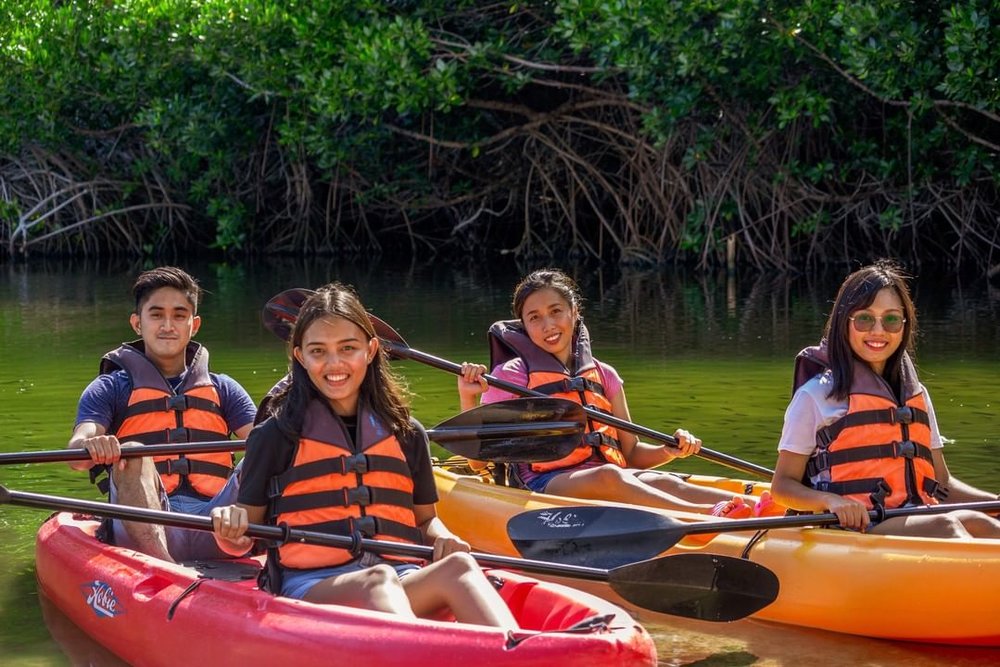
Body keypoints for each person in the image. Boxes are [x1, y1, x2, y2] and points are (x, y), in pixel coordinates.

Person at [210, 283, 518, 629]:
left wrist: (444, 536)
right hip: (309, 586)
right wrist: (230, 530)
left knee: (459, 568)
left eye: (348, 348)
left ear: (371, 350)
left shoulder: (407, 433)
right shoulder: (274, 435)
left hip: (400, 577)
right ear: (299, 356)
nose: (334, 363)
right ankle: (419, 650)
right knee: (377, 579)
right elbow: (243, 537)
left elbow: (424, 522)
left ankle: (520, 653)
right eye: (318, 351)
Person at [457, 268, 779, 518]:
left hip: (609, 474)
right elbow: (476, 464)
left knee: (665, 482)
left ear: (574, 312)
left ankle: (767, 505)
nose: (548, 325)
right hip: (543, 483)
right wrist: (468, 397)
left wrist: (670, 451)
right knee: (611, 475)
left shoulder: (604, 375)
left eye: (556, 311)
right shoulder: (511, 376)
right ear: (524, 327)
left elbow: (632, 455)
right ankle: (708, 517)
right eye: (535, 318)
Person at [771, 260, 1000, 537]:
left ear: (904, 325)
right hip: (856, 528)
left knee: (983, 523)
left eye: (891, 319)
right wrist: (831, 501)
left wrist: (994, 503)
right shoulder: (816, 395)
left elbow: (942, 483)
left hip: (915, 517)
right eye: (865, 319)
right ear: (845, 322)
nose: (878, 331)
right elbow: (782, 486)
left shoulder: (916, 394)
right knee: (948, 525)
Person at [68, 266, 256, 562]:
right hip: (146, 527)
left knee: (265, 453)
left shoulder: (224, 388)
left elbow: (270, 444)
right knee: (132, 453)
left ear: (194, 325)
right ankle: (165, 567)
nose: (168, 325)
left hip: (221, 527)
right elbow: (78, 452)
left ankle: (277, 554)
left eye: (179, 315)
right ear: (137, 324)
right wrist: (91, 445)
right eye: (156, 314)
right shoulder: (111, 387)